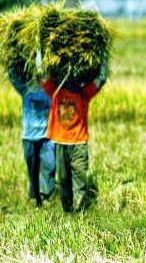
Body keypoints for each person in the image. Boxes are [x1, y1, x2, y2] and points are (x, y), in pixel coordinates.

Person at [40, 61, 107, 213]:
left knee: (80, 180)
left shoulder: (84, 93)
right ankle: (68, 211)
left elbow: (101, 78)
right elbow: (42, 75)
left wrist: (103, 57)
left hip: (79, 143)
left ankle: (79, 212)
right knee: (63, 180)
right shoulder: (56, 92)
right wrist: (40, 53)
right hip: (61, 142)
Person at [7, 66, 55, 206]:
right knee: (32, 167)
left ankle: (46, 196)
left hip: (47, 136)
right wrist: (11, 62)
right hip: (29, 136)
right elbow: (13, 76)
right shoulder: (26, 89)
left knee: (49, 165)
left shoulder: (50, 91)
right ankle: (35, 197)